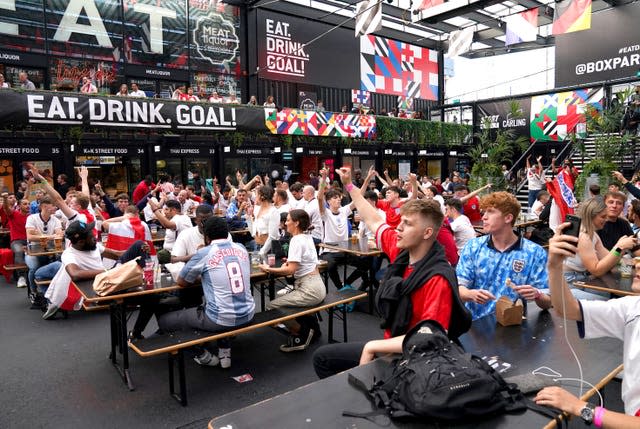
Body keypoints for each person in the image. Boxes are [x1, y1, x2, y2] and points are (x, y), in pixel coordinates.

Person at [313, 167, 469, 379]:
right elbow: (374, 220)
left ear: (427, 233)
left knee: (327, 360)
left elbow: (431, 338)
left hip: (416, 359)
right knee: (323, 357)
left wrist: (373, 346)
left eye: (407, 224)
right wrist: (349, 184)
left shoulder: (437, 278)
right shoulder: (402, 252)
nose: (398, 228)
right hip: (391, 346)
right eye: (401, 222)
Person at [534, 226, 640, 426]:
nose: (637, 265)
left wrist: (583, 408)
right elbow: (569, 310)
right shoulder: (633, 308)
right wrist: (554, 266)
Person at [158, 217, 255, 369]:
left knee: (165, 321)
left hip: (219, 319)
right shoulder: (241, 248)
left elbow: (182, 281)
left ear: (206, 237)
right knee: (219, 302)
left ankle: (202, 355)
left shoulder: (204, 253)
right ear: (227, 232)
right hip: (248, 313)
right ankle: (224, 349)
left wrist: (204, 275)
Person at [457, 191, 552, 320]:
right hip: (475, 326)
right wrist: (470, 294)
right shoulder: (473, 247)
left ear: (508, 218)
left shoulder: (534, 252)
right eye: (484, 212)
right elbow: (458, 287)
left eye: (490, 212)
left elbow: (548, 302)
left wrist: (537, 294)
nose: (484, 217)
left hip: (513, 327)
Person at [258, 209, 325, 352]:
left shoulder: (296, 240)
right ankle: (312, 330)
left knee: (272, 306)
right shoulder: (307, 237)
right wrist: (288, 263)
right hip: (317, 285)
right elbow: (301, 263)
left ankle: (301, 334)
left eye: (288, 220)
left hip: (310, 289)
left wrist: (267, 268)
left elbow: (290, 271)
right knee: (285, 299)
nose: (285, 223)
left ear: (297, 223)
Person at [562, 196, 637, 300]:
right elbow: (596, 270)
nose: (606, 220)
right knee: (608, 302)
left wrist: (628, 259)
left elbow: (608, 258)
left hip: (582, 277)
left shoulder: (592, 234)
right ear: (591, 216)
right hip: (568, 282)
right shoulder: (583, 236)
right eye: (603, 217)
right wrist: (619, 247)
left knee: (613, 294)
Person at [25, 196, 63, 306]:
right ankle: (34, 292)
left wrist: (40, 235)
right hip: (33, 249)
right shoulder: (32, 218)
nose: (55, 207)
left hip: (51, 249)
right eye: (53, 205)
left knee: (59, 262)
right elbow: (30, 237)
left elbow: (59, 235)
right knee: (34, 267)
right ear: (44, 206)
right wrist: (51, 236)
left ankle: (54, 292)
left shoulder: (55, 219)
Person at [2, 196, 30, 288]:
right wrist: (5, 198)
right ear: (19, 206)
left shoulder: (31, 217)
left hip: (30, 241)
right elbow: (6, 208)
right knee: (19, 251)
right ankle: (21, 277)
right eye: (25, 204)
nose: (27, 205)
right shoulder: (14, 214)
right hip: (17, 241)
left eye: (29, 204)